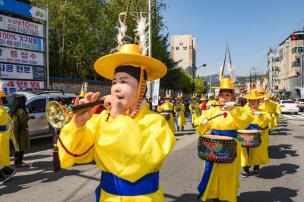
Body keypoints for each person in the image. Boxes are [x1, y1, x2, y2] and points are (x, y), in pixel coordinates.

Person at [57, 43, 176, 202]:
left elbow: (143, 159)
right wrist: (79, 124)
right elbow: (74, 155)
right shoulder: (101, 119)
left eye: (124, 81)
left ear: (141, 87)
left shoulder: (157, 122)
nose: (116, 89)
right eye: (114, 82)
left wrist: (119, 118)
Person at [195, 77, 253, 202]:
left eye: (227, 95)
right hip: (213, 147)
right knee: (213, 175)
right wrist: (202, 121)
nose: (224, 98)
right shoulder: (213, 111)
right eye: (221, 95)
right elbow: (200, 127)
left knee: (228, 175)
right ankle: (214, 196)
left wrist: (232, 112)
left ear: (233, 97)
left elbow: (243, 123)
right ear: (218, 97)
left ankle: (228, 196)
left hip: (230, 147)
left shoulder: (239, 110)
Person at [240, 89, 271, 178]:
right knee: (244, 154)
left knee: (257, 153)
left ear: (259, 101)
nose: (253, 103)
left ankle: (256, 168)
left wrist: (260, 115)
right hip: (244, 135)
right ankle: (245, 170)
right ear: (248, 101)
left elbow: (266, 122)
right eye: (251, 101)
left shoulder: (263, 111)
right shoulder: (243, 110)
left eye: (255, 101)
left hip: (257, 135)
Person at [10, 94, 30, 168]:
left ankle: (17, 162)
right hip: (21, 131)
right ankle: (19, 162)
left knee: (17, 146)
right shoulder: (21, 110)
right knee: (21, 146)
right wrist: (28, 114)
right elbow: (24, 120)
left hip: (14, 131)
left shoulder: (13, 109)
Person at [0, 91, 16, 183]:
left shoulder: (2, 111)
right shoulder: (3, 110)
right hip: (3, 135)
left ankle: (6, 170)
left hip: (2, 135)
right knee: (3, 155)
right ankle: (4, 172)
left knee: (3, 154)